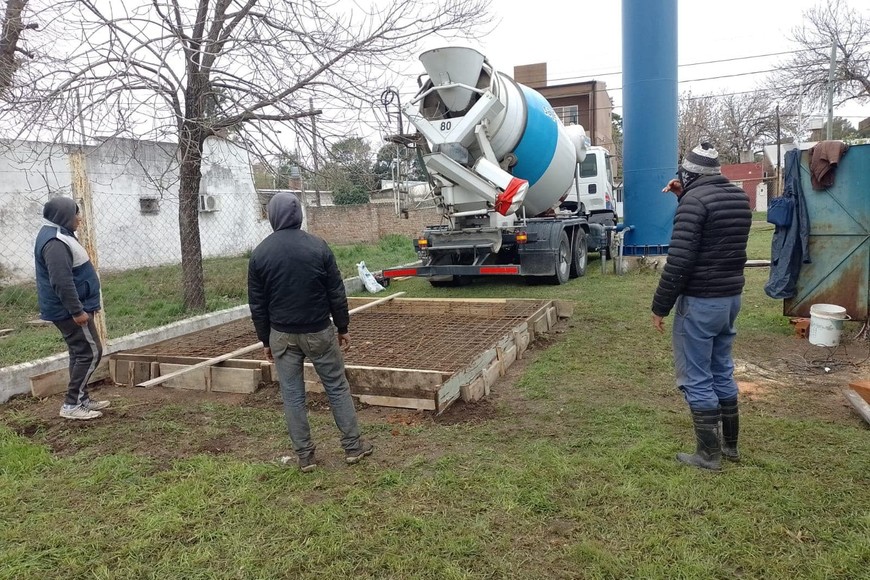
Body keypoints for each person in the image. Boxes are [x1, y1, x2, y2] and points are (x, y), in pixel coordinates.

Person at [248, 192, 373, 473]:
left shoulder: (259, 254)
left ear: (272, 216)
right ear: (298, 215)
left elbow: (257, 304)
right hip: (319, 332)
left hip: (281, 335)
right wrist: (343, 327)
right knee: (337, 387)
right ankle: (353, 447)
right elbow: (335, 292)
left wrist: (264, 339)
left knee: (292, 395)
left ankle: (305, 456)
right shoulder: (318, 247)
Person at [651, 142, 752, 471]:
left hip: (700, 303)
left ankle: (708, 456)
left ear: (688, 174)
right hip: (730, 300)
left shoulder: (694, 202)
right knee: (722, 369)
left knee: (696, 377)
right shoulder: (738, 198)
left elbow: (680, 261)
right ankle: (731, 447)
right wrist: (685, 196)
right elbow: (713, 237)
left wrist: (660, 307)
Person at [35, 197, 109, 420]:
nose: (79, 218)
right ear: (64, 216)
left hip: (74, 306)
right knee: (91, 352)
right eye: (76, 214)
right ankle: (71, 404)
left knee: (79, 353)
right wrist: (77, 311)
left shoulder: (61, 234)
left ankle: (81, 399)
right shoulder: (55, 242)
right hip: (70, 310)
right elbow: (61, 281)